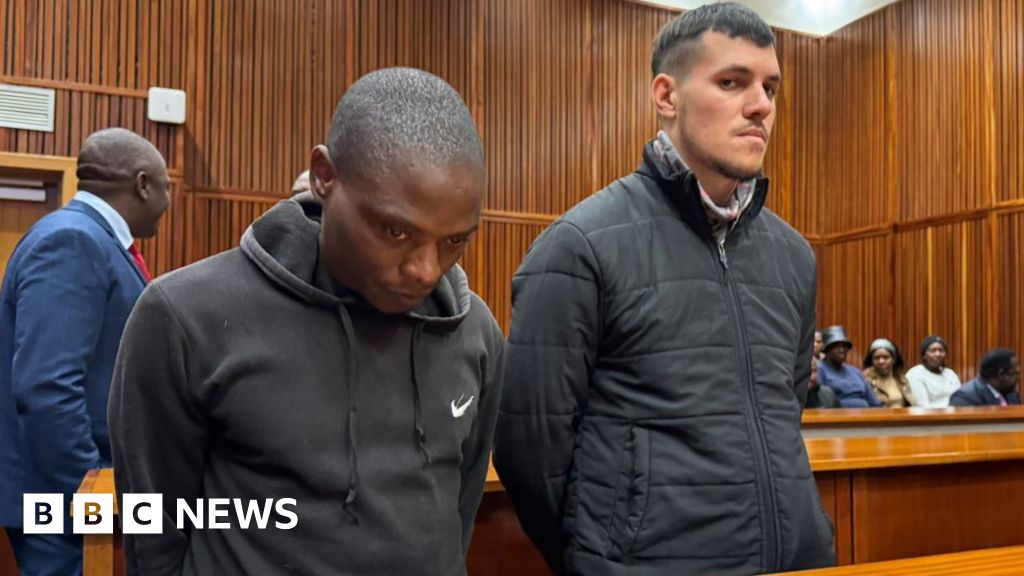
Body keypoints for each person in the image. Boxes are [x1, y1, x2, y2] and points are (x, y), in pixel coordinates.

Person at [108, 68, 504, 575]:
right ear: (325, 176)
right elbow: (155, 531)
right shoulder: (185, 318)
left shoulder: (474, 332)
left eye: (454, 241)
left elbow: (459, 509)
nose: (426, 270)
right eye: (395, 231)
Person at [494, 4, 835, 575]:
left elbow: (783, 412)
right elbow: (530, 451)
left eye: (770, 88)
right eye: (732, 82)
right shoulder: (581, 246)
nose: (761, 105)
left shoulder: (794, 256)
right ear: (666, 96)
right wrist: (601, 555)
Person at [0, 127, 169, 574]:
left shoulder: (90, 238)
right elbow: (48, 386)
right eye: (166, 187)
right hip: (63, 503)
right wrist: (93, 497)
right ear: (143, 185)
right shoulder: (74, 241)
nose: (168, 202)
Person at [818, 326, 882, 408]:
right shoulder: (819, 369)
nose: (842, 350)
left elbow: (873, 402)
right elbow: (822, 402)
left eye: (844, 346)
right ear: (826, 349)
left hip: (865, 413)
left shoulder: (855, 372)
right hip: (837, 414)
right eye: (837, 346)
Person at [950, 349, 1021, 407]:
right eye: (1017, 373)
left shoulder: (1012, 395)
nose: (1019, 379)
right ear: (1001, 374)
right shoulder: (965, 398)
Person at [906, 335, 962, 408]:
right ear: (924, 355)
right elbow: (923, 407)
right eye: (933, 350)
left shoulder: (950, 373)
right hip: (929, 415)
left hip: (955, 413)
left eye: (941, 350)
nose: (937, 354)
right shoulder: (915, 374)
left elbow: (960, 398)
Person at [862, 338, 914, 407]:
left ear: (893, 359)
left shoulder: (901, 380)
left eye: (885, 357)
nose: (881, 361)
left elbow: (912, 404)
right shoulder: (864, 379)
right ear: (871, 361)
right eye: (876, 358)